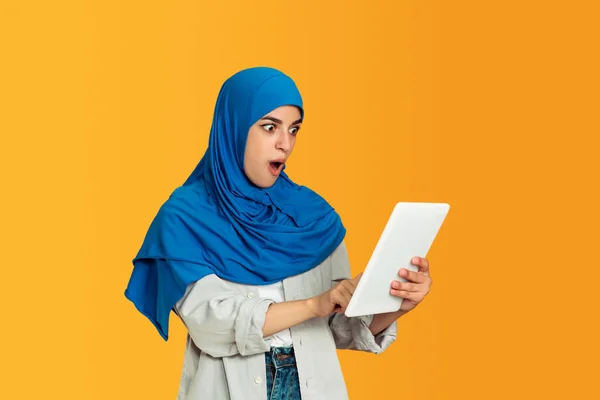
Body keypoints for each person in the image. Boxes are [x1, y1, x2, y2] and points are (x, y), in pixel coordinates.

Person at [124, 67, 434, 400]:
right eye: (269, 127)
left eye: (294, 129)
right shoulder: (184, 217)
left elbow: (340, 328)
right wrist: (316, 304)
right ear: (234, 128)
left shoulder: (313, 218)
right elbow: (212, 325)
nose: (285, 144)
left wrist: (397, 302)